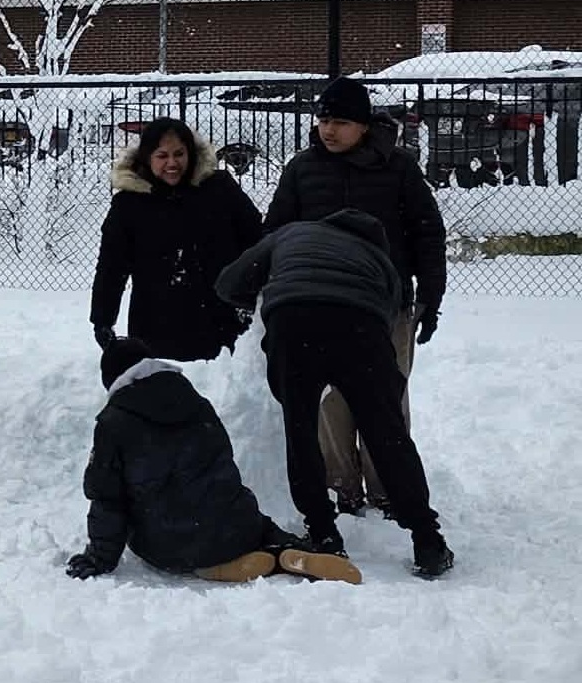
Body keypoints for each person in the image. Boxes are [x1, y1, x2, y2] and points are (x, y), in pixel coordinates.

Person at [216, 209, 455, 578]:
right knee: (387, 433)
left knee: (302, 428)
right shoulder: (381, 259)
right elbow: (389, 314)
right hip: (360, 326)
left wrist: (265, 296)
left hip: (292, 320)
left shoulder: (291, 233)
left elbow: (228, 283)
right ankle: (427, 539)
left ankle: (323, 533)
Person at [264, 77, 446, 517]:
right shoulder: (302, 169)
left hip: (386, 304)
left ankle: (388, 486)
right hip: (321, 302)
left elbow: (427, 232)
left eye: (340, 122)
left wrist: (430, 296)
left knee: (386, 394)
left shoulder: (398, 168)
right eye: (324, 120)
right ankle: (341, 485)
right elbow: (276, 231)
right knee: (329, 397)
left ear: (364, 125)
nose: (329, 130)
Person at [66, 336, 363, 585]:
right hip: (234, 525)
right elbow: (223, 465)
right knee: (246, 517)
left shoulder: (113, 422)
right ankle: (289, 549)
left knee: (177, 535)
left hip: (167, 544)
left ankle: (214, 568)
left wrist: (99, 558)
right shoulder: (196, 402)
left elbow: (106, 496)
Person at [91, 117, 264, 361]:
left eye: (179, 154)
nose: (172, 163)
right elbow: (111, 267)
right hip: (158, 326)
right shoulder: (128, 205)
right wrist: (102, 319)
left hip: (224, 324)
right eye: (162, 156)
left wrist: (251, 296)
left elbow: (257, 241)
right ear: (147, 157)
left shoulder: (220, 189)